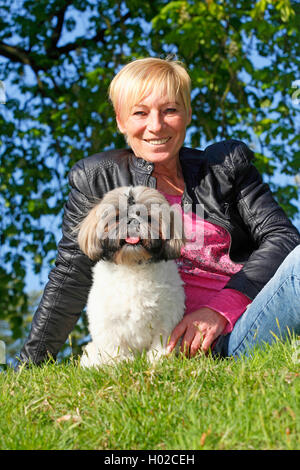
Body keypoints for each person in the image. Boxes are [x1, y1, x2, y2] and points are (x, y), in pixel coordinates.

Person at [19, 57, 300, 366]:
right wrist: (28, 366)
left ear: (188, 113)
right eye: (140, 113)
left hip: (253, 316)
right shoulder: (99, 178)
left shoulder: (225, 168)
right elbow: (71, 273)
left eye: (170, 110)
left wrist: (221, 308)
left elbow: (283, 238)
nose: (156, 125)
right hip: (191, 347)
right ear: (120, 120)